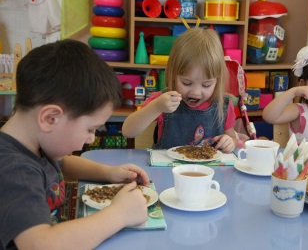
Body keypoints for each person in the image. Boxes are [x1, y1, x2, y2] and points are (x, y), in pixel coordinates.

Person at [0, 39, 151, 250]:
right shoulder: (14, 170)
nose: (91, 138)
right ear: (50, 118)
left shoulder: (37, 144)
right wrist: (119, 215)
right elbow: (39, 245)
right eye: (90, 129)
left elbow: (64, 164)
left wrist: (109, 173)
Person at [122, 27, 237, 153]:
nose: (195, 92)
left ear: (217, 80)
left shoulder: (224, 105)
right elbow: (128, 131)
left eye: (206, 85)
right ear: (173, 76)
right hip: (167, 171)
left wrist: (230, 142)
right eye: (186, 83)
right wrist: (156, 107)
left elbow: (232, 137)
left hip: (209, 171)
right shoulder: (163, 101)